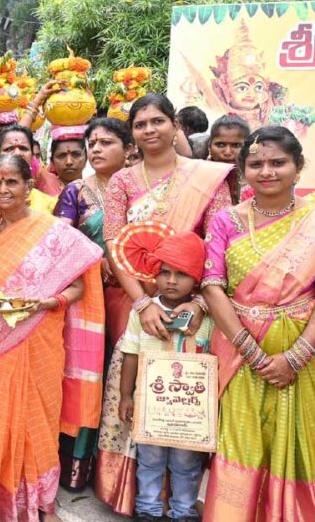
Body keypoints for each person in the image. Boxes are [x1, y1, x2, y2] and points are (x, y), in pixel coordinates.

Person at [95, 93, 232, 516]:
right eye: (140, 124)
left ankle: (184, 503)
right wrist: (143, 304)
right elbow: (116, 247)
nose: (149, 130)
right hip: (137, 302)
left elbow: (218, 244)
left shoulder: (207, 177)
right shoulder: (122, 181)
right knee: (134, 387)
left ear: (175, 125)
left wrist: (204, 304)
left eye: (158, 121)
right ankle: (139, 499)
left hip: (197, 306)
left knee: (188, 395)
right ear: (133, 132)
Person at [0, 155, 104, 522]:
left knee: (39, 418)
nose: (3, 190)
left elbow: (77, 286)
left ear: (30, 186)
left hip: (40, 332)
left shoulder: (54, 232)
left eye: (12, 182)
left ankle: (42, 503)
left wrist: (48, 302)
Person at [202, 126, 315, 521]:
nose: (267, 171)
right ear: (243, 169)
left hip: (303, 351)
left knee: (302, 442)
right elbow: (212, 286)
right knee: (240, 441)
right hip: (239, 351)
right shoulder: (226, 221)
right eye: (256, 164)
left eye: (278, 162)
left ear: (298, 167)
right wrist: (251, 351)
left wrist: (295, 357)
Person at [110, 223, 211, 522]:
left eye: (181, 274)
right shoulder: (143, 312)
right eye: (165, 272)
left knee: (186, 463)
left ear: (197, 278)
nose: (170, 281)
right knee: (150, 460)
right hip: (150, 406)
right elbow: (130, 355)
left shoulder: (206, 317)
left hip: (190, 414)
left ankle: (183, 512)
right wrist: (126, 396)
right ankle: (149, 510)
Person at [53, 117, 134, 490]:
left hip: (136, 297)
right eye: (93, 143)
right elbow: (60, 242)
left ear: (128, 148)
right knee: (87, 378)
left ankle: (123, 476)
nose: (97, 150)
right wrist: (94, 259)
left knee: (127, 380)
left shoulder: (141, 189)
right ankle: (79, 467)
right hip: (88, 300)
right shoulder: (76, 192)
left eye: (107, 142)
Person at [0, 125, 59, 217]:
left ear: (32, 156)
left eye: (23, 148)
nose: (17, 153)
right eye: (9, 149)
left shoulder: (50, 204)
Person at [207, 115, 252, 203]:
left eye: (236, 145)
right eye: (220, 144)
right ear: (209, 146)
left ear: (248, 147)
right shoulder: (197, 179)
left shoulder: (258, 182)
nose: (227, 152)